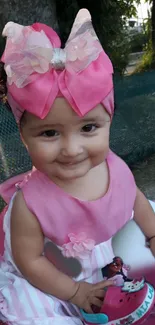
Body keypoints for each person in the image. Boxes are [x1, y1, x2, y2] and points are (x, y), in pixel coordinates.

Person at [0, 8, 155, 325]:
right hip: (53, 272)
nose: (72, 149)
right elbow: (30, 260)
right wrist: (74, 292)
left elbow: (134, 199)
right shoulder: (28, 205)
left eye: (88, 129)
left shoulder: (113, 168)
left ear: (108, 122)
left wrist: (152, 234)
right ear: (24, 137)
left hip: (106, 252)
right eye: (49, 133)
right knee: (30, 311)